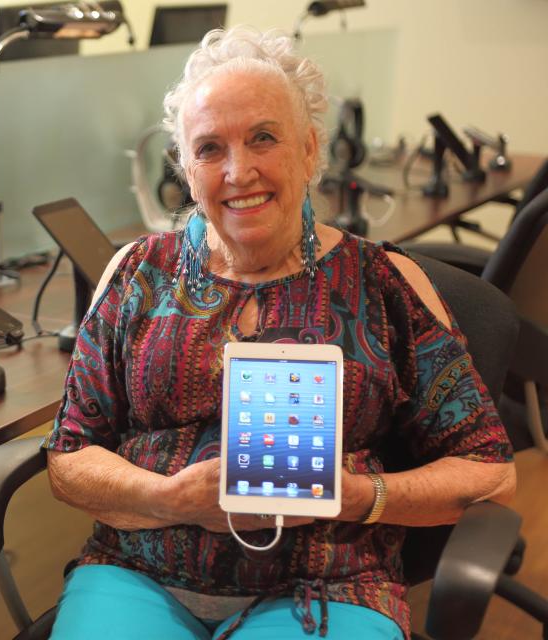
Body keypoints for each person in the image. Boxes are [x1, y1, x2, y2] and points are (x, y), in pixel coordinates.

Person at [41, 26, 516, 640]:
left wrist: (353, 496)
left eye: (263, 137)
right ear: (186, 170)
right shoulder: (136, 273)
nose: (239, 171)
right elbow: (68, 457)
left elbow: (491, 472)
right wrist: (170, 499)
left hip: (330, 585)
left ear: (310, 149)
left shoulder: (384, 283)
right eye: (210, 149)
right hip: (138, 571)